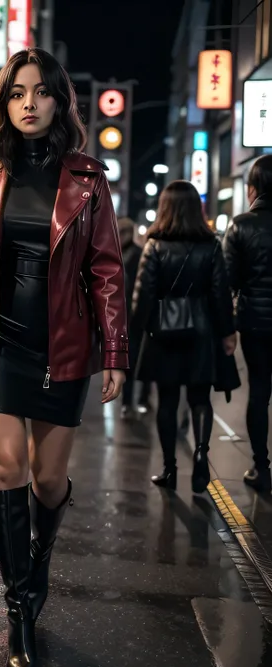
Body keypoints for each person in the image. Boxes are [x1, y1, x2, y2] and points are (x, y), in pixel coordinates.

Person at [0, 48, 128, 667]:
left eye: (39, 92)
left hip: (64, 348)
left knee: (49, 481)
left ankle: (35, 563)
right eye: (16, 92)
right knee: (9, 468)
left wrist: (116, 353)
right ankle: (20, 609)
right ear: (5, 103)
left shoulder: (87, 180)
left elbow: (106, 270)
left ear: (58, 101)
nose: (27, 102)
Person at [132, 180, 236, 493]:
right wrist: (227, 332)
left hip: (164, 332)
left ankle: (169, 469)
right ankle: (202, 455)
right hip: (202, 332)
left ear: (165, 208)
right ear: (196, 209)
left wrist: (135, 333)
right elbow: (221, 293)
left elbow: (143, 295)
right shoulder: (212, 245)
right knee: (200, 398)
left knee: (167, 400)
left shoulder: (155, 245)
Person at [224, 155, 272, 493]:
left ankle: (261, 467)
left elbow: (228, 280)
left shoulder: (241, 225)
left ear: (252, 189)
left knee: (259, 393)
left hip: (256, 323)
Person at [118, 217, 142, 417]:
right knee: (128, 359)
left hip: (131, 314)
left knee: (131, 359)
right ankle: (129, 400)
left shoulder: (133, 254)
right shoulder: (123, 252)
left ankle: (131, 400)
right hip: (126, 314)